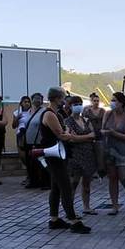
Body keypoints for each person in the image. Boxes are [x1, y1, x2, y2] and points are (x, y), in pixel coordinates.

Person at [39, 87, 91, 233]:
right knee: (65, 187)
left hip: (57, 154)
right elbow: (62, 135)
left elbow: (63, 132)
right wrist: (68, 133)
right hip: (54, 155)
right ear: (56, 98)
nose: (65, 102)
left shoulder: (55, 114)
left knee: (56, 187)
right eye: (63, 98)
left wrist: (67, 132)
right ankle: (73, 220)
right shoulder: (50, 115)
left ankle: (54, 219)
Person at [64, 96, 97, 214]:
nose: (78, 106)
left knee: (87, 183)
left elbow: (93, 135)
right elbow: (70, 138)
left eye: (80, 103)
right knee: (74, 183)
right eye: (75, 104)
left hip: (88, 155)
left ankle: (87, 207)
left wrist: (78, 137)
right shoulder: (67, 121)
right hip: (75, 155)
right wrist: (86, 138)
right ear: (71, 106)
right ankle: (70, 209)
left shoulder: (86, 120)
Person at [23, 93, 48, 188]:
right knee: (30, 163)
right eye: (35, 98)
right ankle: (33, 181)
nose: (37, 100)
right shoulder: (28, 111)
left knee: (42, 162)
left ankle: (45, 181)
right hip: (28, 141)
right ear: (32, 100)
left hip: (39, 141)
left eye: (40, 98)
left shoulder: (44, 111)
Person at [83, 93, 106, 177]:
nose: (96, 102)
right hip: (90, 133)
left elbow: (105, 121)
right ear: (91, 101)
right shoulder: (87, 111)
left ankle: (101, 170)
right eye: (94, 101)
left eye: (97, 101)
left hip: (100, 134)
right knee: (91, 152)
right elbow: (84, 122)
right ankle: (92, 171)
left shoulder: (102, 111)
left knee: (100, 152)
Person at [12, 95, 32, 183]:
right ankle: (29, 173)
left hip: (30, 134)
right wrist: (17, 118)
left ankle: (30, 176)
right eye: (25, 102)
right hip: (20, 135)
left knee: (30, 156)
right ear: (21, 103)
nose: (27, 103)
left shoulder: (32, 112)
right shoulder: (16, 113)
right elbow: (13, 126)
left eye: (28, 102)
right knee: (23, 156)